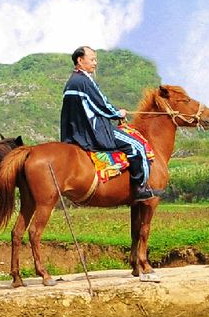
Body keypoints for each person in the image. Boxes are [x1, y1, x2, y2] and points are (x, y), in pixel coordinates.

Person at [60, 46, 155, 201]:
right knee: (137, 146)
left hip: (75, 134)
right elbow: (101, 104)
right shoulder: (84, 81)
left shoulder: (71, 82)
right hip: (94, 132)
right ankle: (140, 188)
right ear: (80, 60)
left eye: (95, 59)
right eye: (92, 59)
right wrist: (118, 113)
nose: (95, 63)